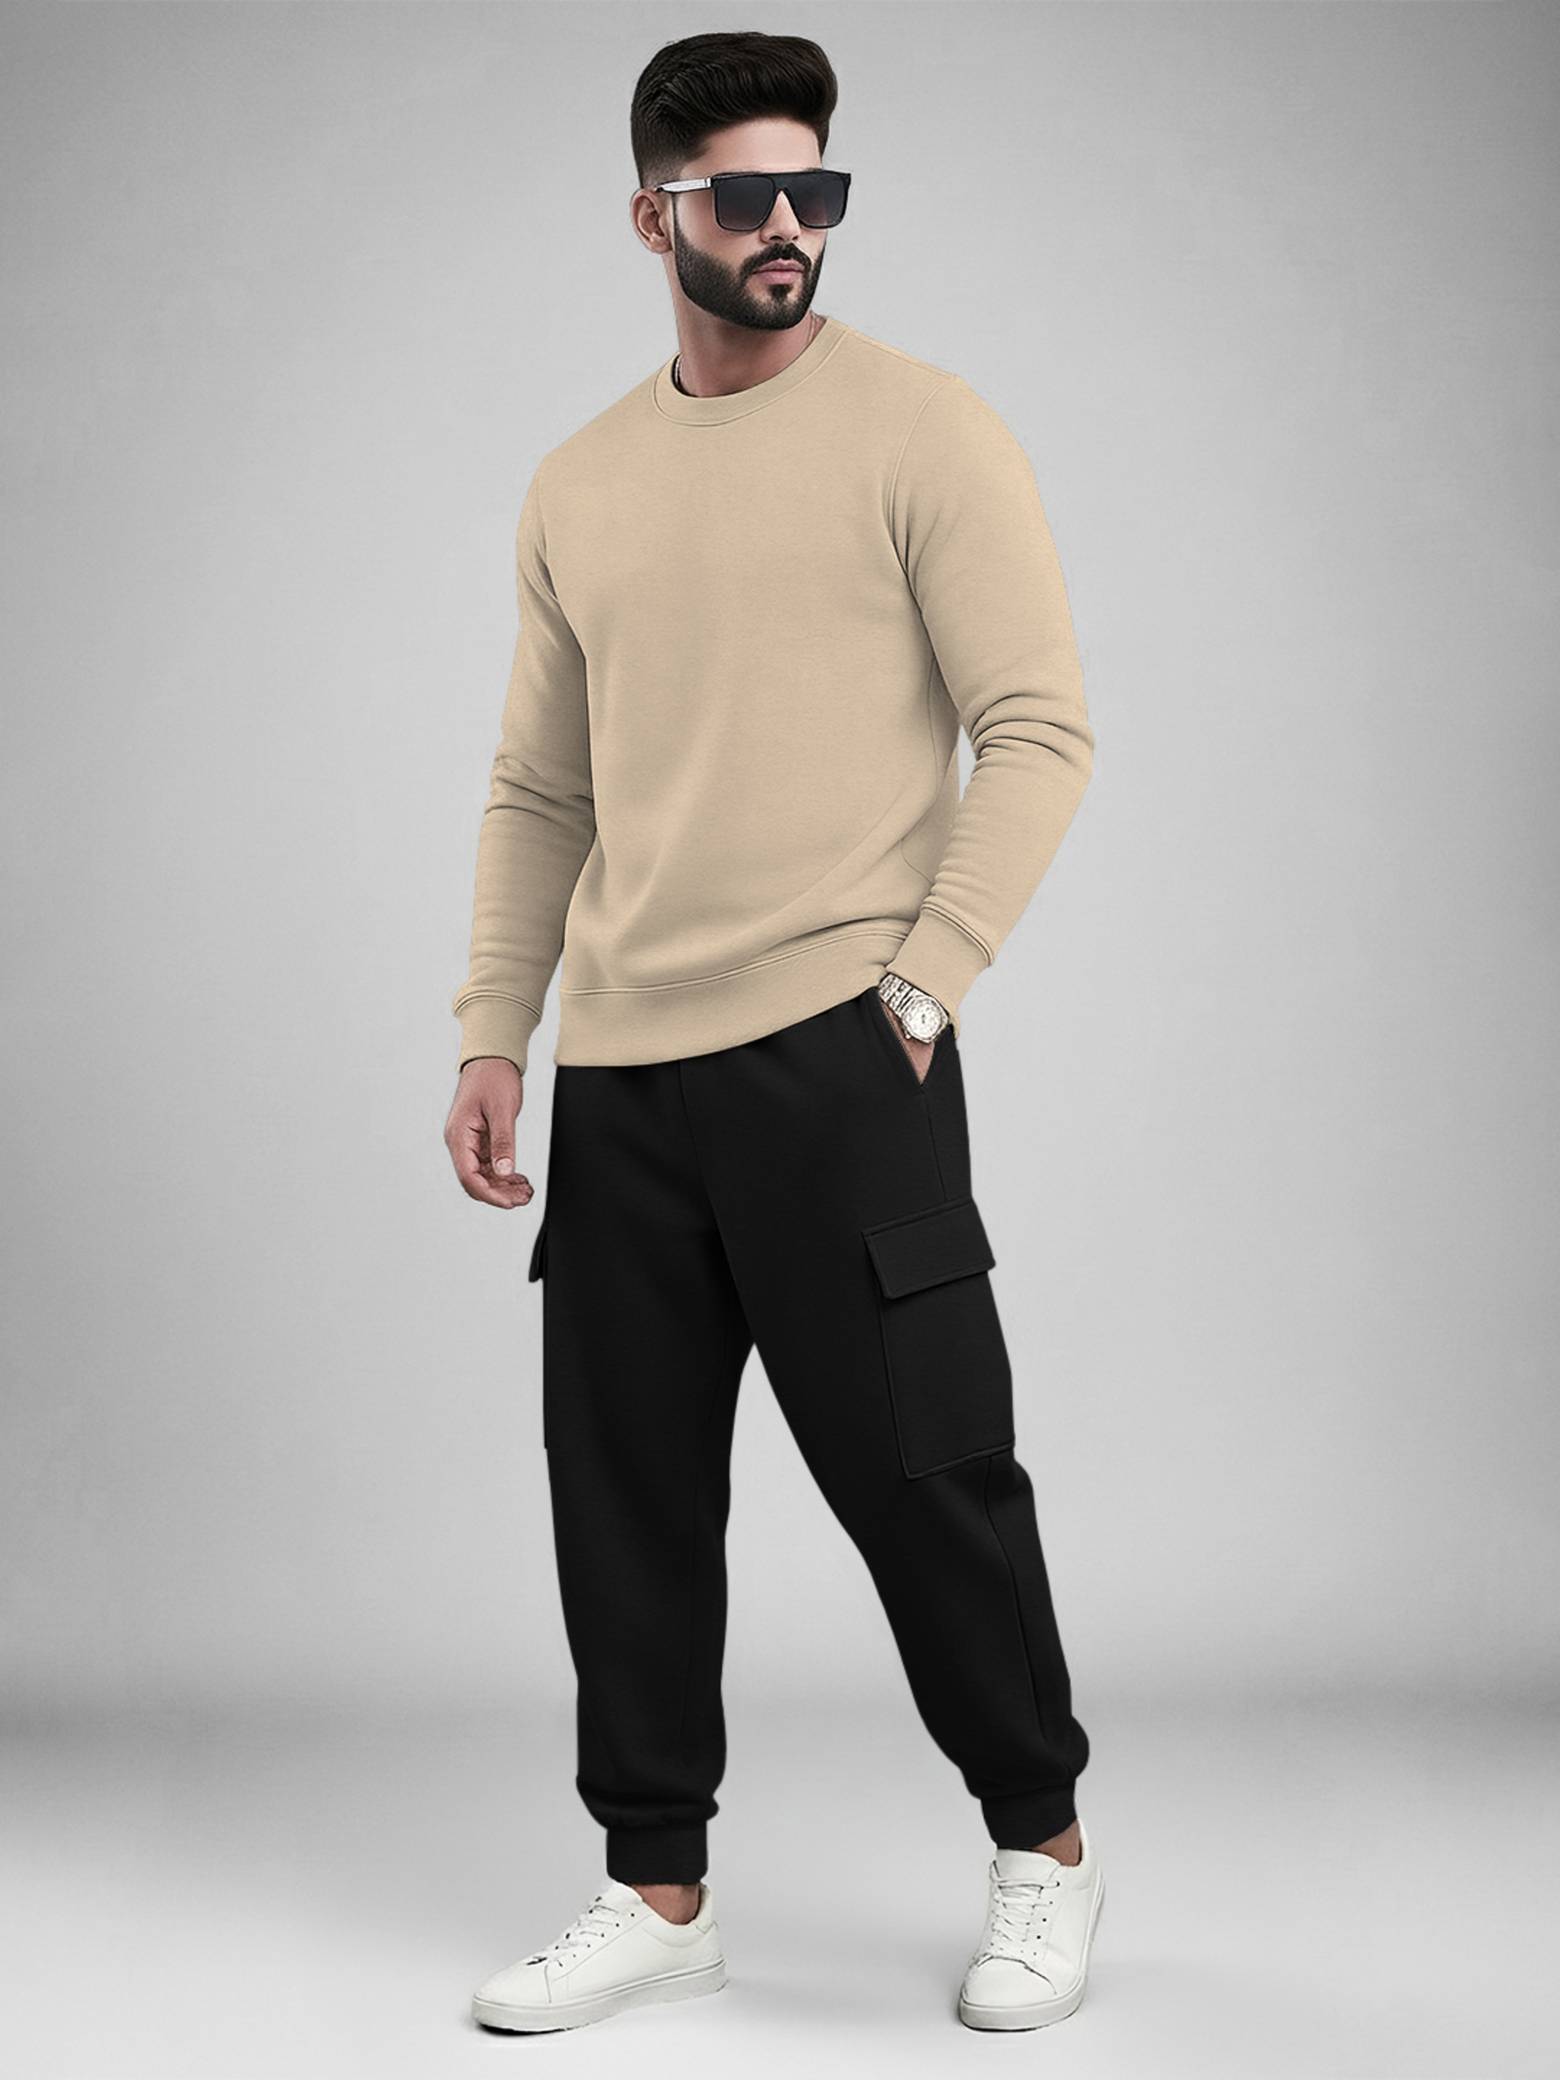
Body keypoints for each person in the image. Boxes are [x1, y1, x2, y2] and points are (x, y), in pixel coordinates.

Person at [445, 28, 1104, 2038]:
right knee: (625, 1493)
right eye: (746, 195)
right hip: (627, 1072)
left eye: (817, 189)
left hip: (843, 1053)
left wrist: (925, 982)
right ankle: (656, 1886)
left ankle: (1046, 1850)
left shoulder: (926, 433)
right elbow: (541, 788)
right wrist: (495, 1030)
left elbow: (1039, 729)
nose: (789, 225)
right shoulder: (580, 483)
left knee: (931, 1474)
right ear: (654, 216)